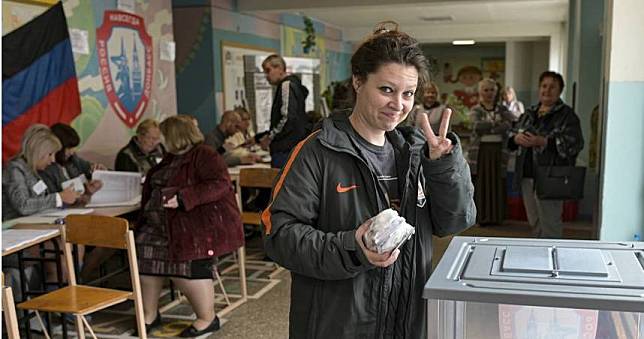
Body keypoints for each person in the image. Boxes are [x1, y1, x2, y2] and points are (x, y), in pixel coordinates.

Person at [262, 22, 476, 338]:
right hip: (339, 323)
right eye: (386, 90)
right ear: (358, 81)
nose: (398, 105)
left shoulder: (417, 153)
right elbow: (279, 236)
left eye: (408, 94)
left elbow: (454, 222)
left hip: (406, 319)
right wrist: (353, 248)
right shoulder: (317, 152)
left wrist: (443, 166)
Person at [135, 115, 243, 337]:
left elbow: (220, 185)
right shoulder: (170, 157)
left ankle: (207, 318)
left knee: (186, 260)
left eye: (163, 136)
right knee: (144, 254)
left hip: (194, 225)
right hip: (162, 224)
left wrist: (185, 197)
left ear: (175, 136)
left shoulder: (204, 154)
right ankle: (150, 314)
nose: (159, 141)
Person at [508, 71, 583, 238]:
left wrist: (543, 141)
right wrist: (516, 138)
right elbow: (511, 135)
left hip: (551, 176)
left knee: (550, 222)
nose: (547, 90)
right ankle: (538, 257)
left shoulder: (567, 115)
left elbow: (575, 143)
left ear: (560, 91)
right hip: (527, 174)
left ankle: (552, 257)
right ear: (539, 88)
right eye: (544, 86)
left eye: (552, 87)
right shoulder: (529, 113)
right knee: (534, 221)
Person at [2, 124, 80, 221]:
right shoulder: (15, 169)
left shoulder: (32, 170)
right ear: (38, 151)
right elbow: (23, 206)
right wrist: (58, 197)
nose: (53, 160)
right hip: (14, 229)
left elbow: (40, 203)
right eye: (50, 154)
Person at [468, 78, 517, 225]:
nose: (489, 93)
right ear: (480, 92)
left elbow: (511, 123)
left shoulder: (503, 109)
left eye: (492, 90)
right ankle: (482, 217)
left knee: (497, 184)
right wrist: (498, 125)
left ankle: (496, 217)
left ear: (496, 92)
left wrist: (490, 126)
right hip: (482, 153)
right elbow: (476, 126)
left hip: (498, 152)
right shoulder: (475, 109)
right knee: (481, 184)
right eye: (486, 90)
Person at [259, 54, 311, 168]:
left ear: (280, 68)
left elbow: (287, 117)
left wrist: (270, 137)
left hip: (285, 148)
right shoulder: (293, 85)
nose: (267, 76)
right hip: (293, 147)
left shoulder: (286, 85)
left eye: (268, 70)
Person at [39, 123, 104, 201]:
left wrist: (97, 171)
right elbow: (54, 197)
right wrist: (84, 191)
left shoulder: (73, 159)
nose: (72, 152)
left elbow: (89, 169)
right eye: (69, 148)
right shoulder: (45, 167)